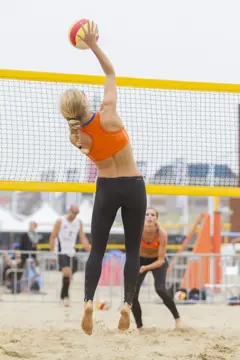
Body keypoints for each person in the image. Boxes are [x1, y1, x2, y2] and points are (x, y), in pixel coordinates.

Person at [60, 21, 146, 335]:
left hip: (107, 188)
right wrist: (93, 44)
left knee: (97, 250)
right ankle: (126, 304)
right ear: (86, 100)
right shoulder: (108, 113)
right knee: (133, 250)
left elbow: (81, 124)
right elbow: (110, 73)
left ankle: (86, 301)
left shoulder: (77, 137)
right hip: (133, 185)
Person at [131, 208, 181, 329]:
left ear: (156, 219)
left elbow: (160, 261)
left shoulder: (161, 234)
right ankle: (140, 326)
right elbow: (131, 253)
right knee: (132, 294)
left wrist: (145, 268)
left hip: (157, 262)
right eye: (147, 214)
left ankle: (177, 318)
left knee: (160, 289)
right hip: (140, 259)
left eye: (152, 215)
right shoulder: (137, 231)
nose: (149, 217)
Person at [49, 204, 90, 307]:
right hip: (61, 251)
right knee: (67, 273)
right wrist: (51, 249)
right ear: (69, 211)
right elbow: (53, 235)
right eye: (73, 212)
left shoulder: (78, 222)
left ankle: (63, 295)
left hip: (72, 252)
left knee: (69, 276)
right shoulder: (60, 221)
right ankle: (67, 297)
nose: (74, 215)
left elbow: (82, 237)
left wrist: (88, 248)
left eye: (76, 213)